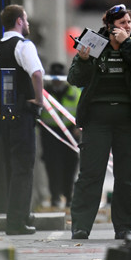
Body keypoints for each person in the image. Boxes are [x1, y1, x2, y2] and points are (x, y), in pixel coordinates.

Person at [68, 4, 131, 240]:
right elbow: (74, 78)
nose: (127, 27)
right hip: (97, 120)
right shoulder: (94, 43)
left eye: (129, 23)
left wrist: (127, 43)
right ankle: (80, 227)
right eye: (122, 23)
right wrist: (83, 59)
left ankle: (124, 229)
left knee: (127, 177)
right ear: (110, 26)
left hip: (130, 121)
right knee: (90, 174)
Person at [0, 4, 44, 235]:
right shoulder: (23, 46)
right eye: (25, 19)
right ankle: (18, 222)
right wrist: (38, 100)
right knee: (23, 167)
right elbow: (36, 72)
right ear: (19, 21)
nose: (27, 23)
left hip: (2, 114)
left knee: (10, 167)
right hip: (22, 113)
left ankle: (14, 217)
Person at [39, 62, 81, 209]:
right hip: (50, 133)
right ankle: (55, 197)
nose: (57, 81)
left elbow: (82, 109)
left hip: (70, 132)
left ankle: (69, 196)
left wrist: (79, 126)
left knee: (70, 165)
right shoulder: (44, 91)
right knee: (52, 166)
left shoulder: (74, 92)